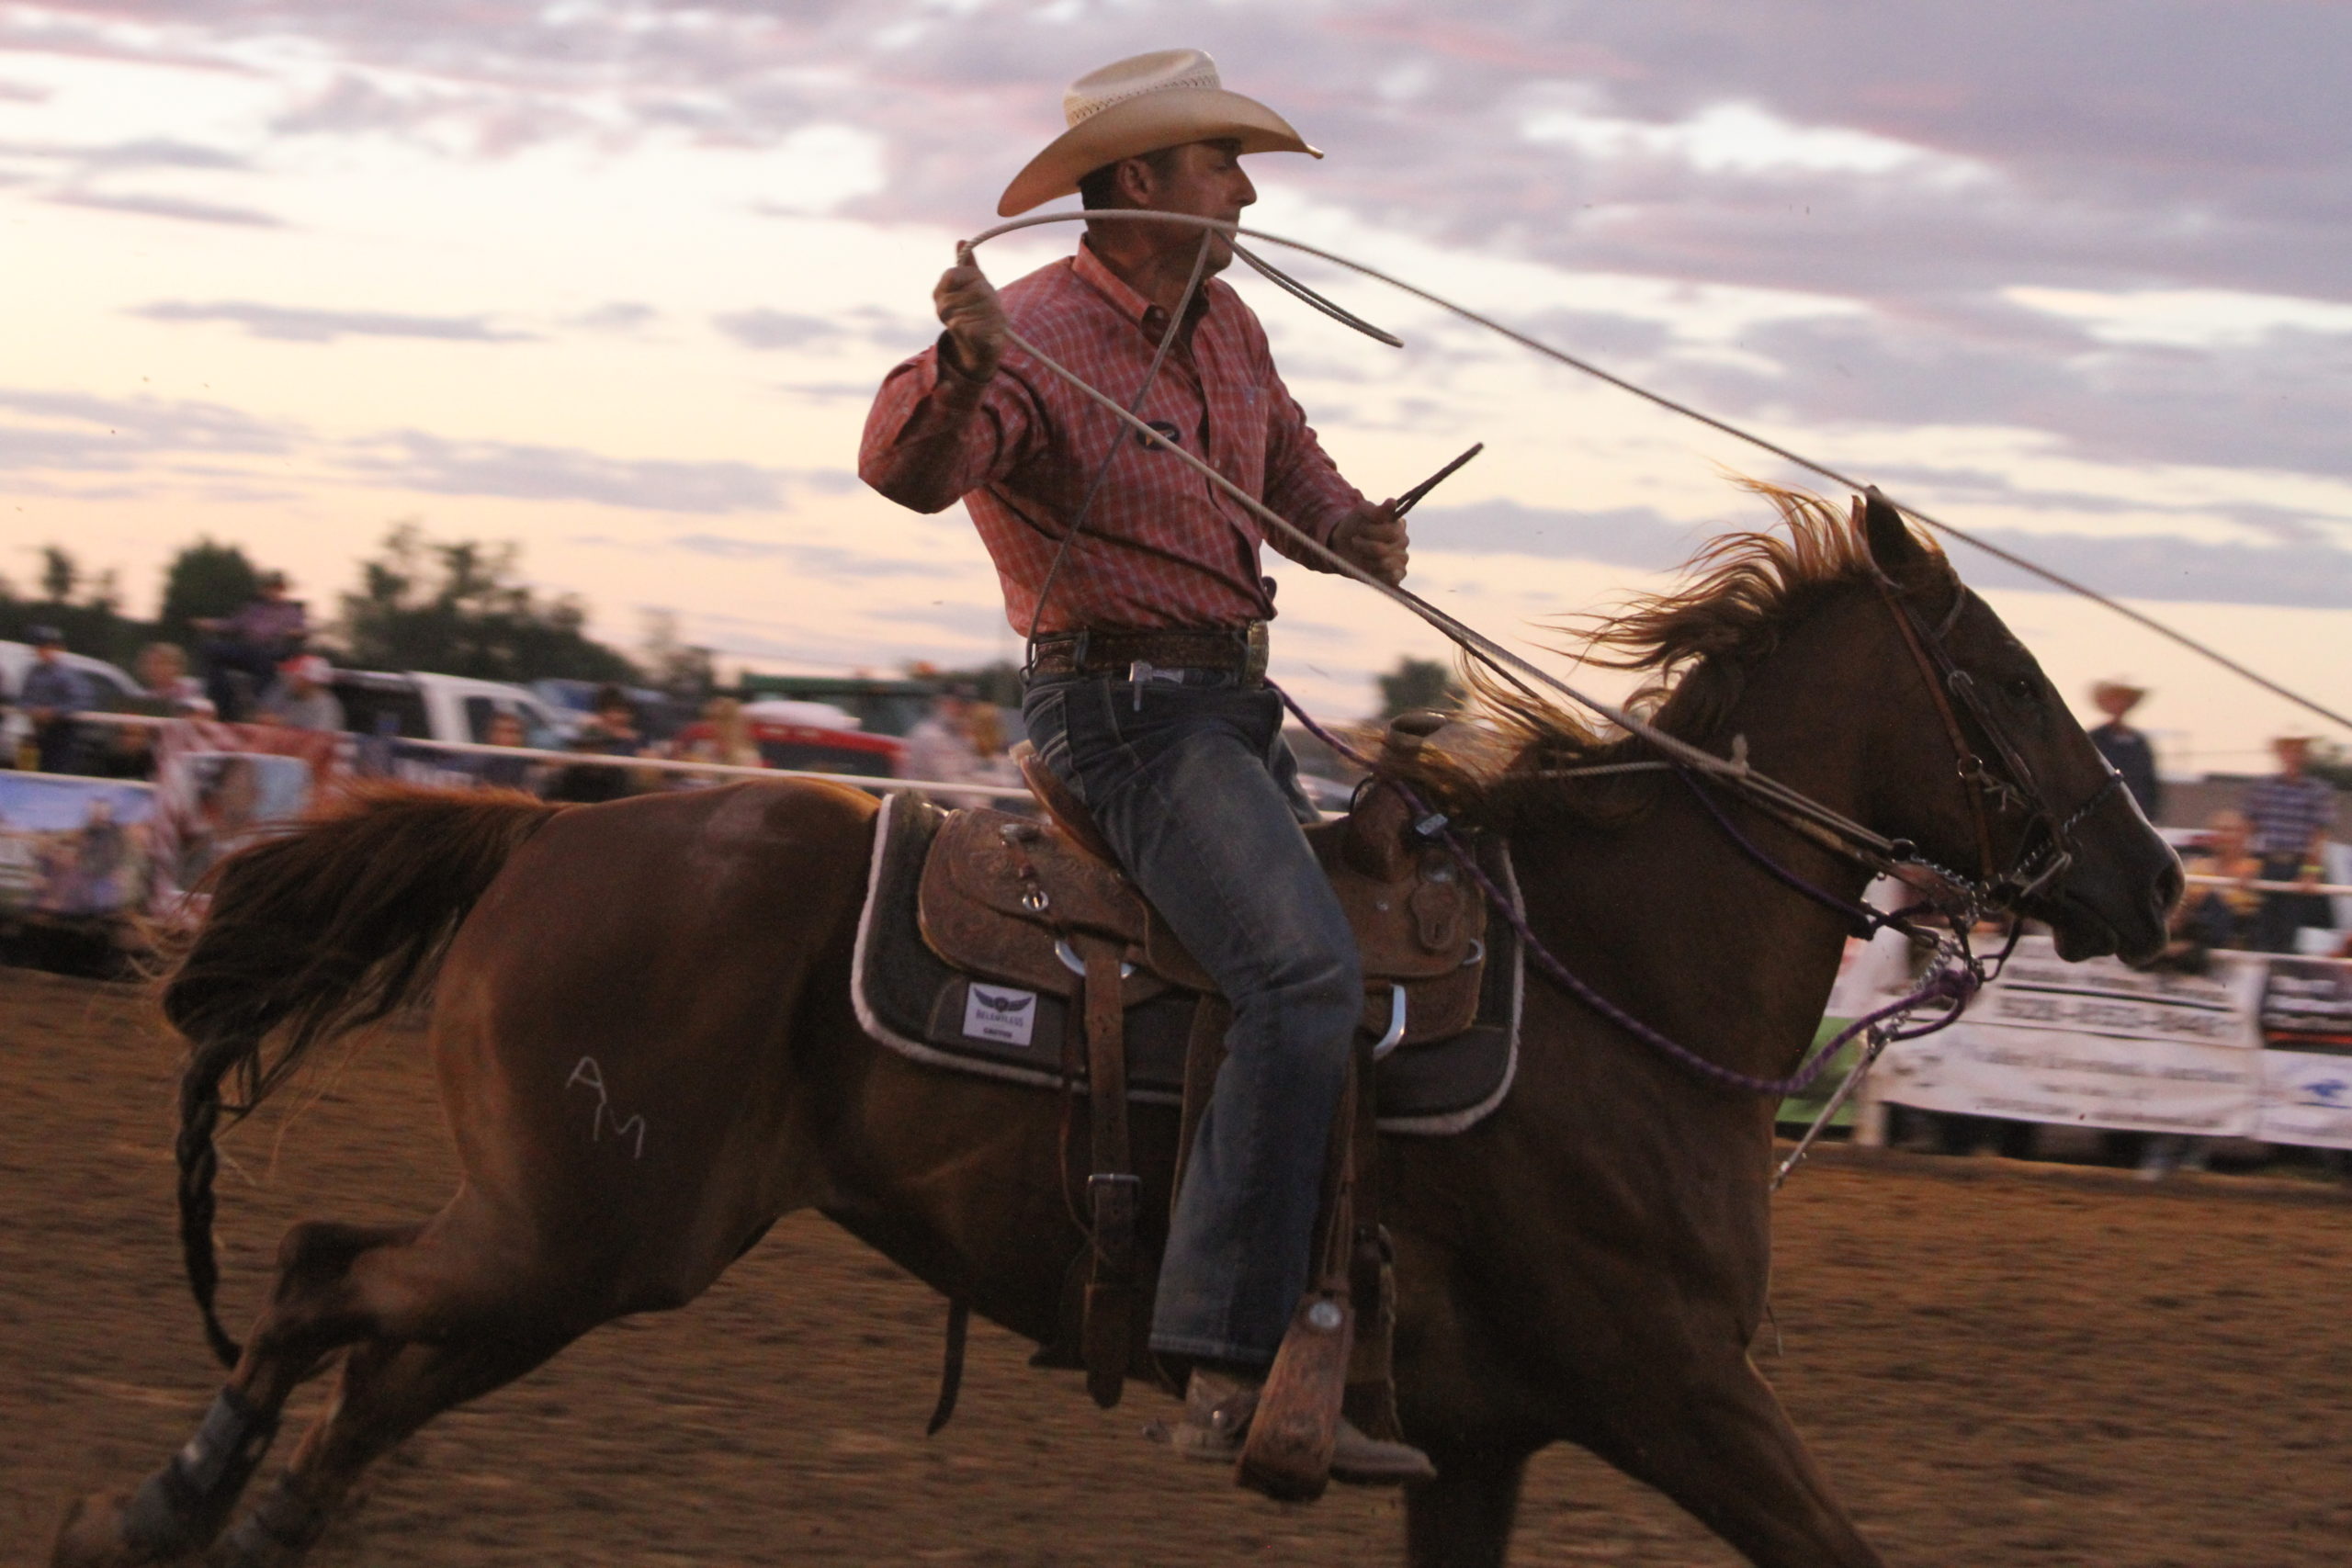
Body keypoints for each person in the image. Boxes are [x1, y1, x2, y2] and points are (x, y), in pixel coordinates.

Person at [859, 49, 1427, 1483]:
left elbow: (1285, 470)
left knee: (1357, 945)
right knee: (1301, 977)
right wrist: (959, 369)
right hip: (1123, 718)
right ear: (1139, 183)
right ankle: (1226, 1349)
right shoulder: (1034, 335)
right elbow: (913, 469)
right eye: (1219, 162)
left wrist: (1350, 530)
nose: (1243, 189)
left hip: (1226, 711)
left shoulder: (1226, 324)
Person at [2242, 735, 2338, 953]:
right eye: (2289, 749)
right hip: (2265, 863)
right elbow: (2249, 828)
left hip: (2296, 866)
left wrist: (2310, 871)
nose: (2293, 755)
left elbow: (2318, 837)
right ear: (2280, 753)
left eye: (2299, 750)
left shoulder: (2317, 791)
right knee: (2258, 926)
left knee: (2287, 931)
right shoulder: (2263, 786)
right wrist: (2247, 865)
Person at [197, 571, 308, 720]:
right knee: (211, 649)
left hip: (271, 651)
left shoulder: (291, 612)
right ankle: (221, 702)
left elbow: (302, 632)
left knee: (263, 659)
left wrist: (293, 633)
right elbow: (232, 624)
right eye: (269, 587)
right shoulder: (253, 609)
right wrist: (210, 624)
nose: (273, 591)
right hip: (247, 649)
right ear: (263, 589)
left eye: (277, 588)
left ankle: (257, 709)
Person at [17, 626, 92, 774]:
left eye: (49, 646)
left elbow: (83, 701)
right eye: (40, 646)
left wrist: (54, 712)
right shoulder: (32, 673)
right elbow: (22, 699)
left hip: (61, 734)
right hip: (36, 733)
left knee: (55, 774)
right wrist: (32, 709)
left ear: (59, 649)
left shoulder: (69, 675)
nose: (43, 651)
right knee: (29, 774)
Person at [2087, 679, 2161, 819]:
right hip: (2103, 812)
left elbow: (2149, 783)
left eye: (2124, 700)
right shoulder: (2095, 739)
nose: (2120, 704)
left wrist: (2150, 815)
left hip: (2138, 813)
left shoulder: (2140, 742)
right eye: (2115, 699)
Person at [902, 689, 985, 808]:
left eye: (968, 706)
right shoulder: (931, 736)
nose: (965, 711)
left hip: (952, 799)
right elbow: (948, 782)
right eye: (959, 705)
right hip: (932, 804)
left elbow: (971, 773)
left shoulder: (958, 734)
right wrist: (981, 808)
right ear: (942, 704)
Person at [254, 655, 346, 733]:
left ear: (309, 681)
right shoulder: (282, 691)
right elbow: (259, 715)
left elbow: (319, 739)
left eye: (295, 676)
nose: (288, 679)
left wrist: (284, 723)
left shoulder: (327, 707)